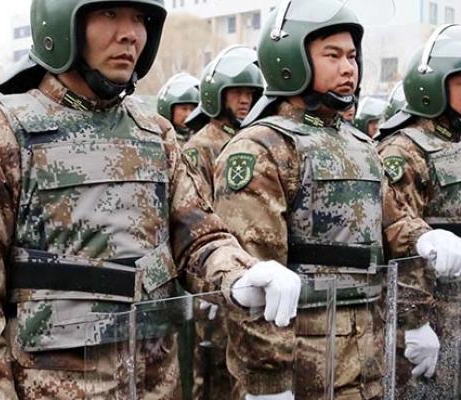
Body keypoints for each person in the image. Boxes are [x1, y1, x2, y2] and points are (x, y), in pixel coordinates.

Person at [0, 0, 301, 399]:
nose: (130, 33)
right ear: (62, 22)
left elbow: (198, 237)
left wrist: (239, 274)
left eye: (140, 18)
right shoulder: (0, 137)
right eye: (110, 14)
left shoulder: (154, 136)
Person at [214, 1, 386, 398]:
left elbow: (391, 227)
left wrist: (422, 238)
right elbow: (255, 277)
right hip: (302, 371)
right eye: (333, 55)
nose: (348, 68)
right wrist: (269, 382)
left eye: (352, 56)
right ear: (290, 58)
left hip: (365, 363)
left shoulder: (361, 145)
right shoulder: (263, 147)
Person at [378, 24, 461, 400]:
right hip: (435, 317)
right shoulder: (405, 151)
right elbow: (397, 240)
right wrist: (414, 322)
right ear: (434, 87)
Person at [183, 46, 263, 198]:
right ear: (218, 95)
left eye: (249, 93)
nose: (245, 100)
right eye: (237, 92)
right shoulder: (199, 147)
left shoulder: (253, 139)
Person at [156, 72, 200, 146]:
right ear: (170, 110)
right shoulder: (157, 139)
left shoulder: (202, 140)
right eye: (184, 109)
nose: (188, 114)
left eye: (192, 109)